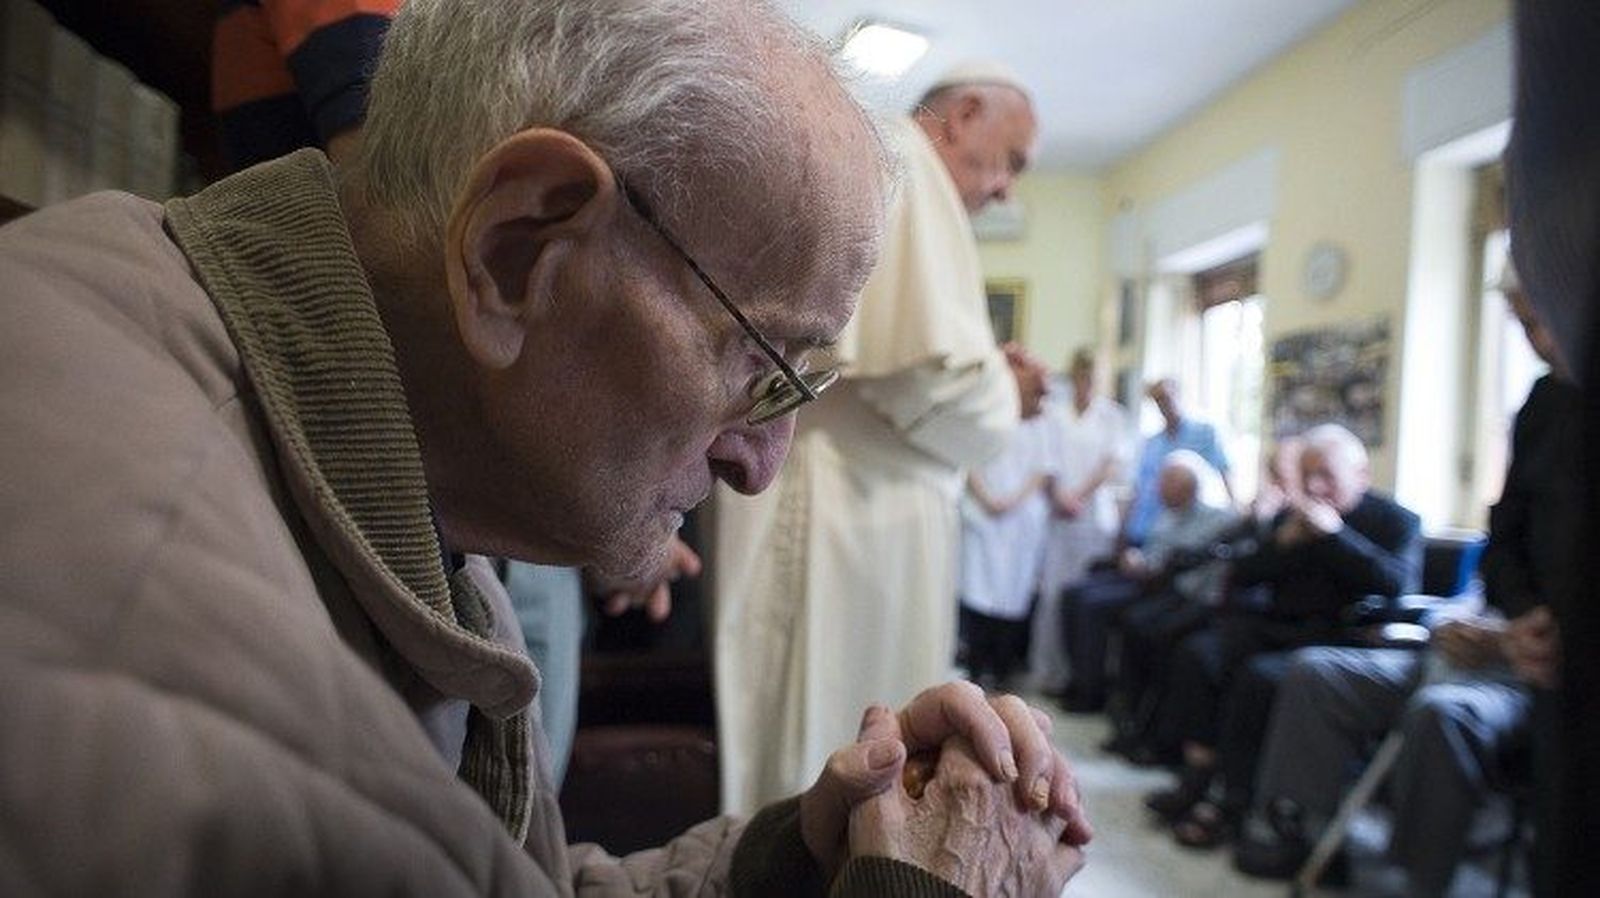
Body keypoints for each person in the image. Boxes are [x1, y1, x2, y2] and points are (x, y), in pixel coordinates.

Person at [0, 2, 1093, 894]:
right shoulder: (217, 732)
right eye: (766, 370)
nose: (758, 466)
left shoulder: (400, 431)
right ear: (520, 250)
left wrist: (799, 853)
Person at [712, 61, 1040, 815]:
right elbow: (926, 376)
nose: (1007, 188)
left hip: (863, 504)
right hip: (841, 510)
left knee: (860, 736)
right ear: (962, 115)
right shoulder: (904, 162)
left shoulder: (906, 172)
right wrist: (1006, 393)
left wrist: (985, 371)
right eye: (1012, 160)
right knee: (825, 743)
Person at [1234, 269, 1582, 894]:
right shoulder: (1544, 404)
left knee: (1440, 714)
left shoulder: (1390, 519)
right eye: (1524, 325)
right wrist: (1500, 617)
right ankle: (1301, 828)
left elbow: (1395, 583)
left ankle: (1413, 879)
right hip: (1471, 639)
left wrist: (1514, 638)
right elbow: (1504, 544)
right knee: (1314, 670)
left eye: (1544, 319)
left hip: (1533, 672)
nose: (1539, 341)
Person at [1145, 424, 1421, 846]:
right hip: (1277, 627)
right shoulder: (1292, 515)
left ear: (1361, 475)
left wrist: (1335, 536)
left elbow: (1396, 583)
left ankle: (1233, 803)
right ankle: (1197, 776)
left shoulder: (1397, 521)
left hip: (1339, 641)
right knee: (1200, 653)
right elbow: (1242, 573)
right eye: (1308, 474)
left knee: (1258, 678)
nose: (1314, 486)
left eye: (1327, 475)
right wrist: (1281, 543)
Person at [1054, 451, 1235, 713]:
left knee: (1093, 605)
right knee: (1073, 593)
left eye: (1167, 482)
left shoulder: (1216, 518)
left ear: (1188, 487)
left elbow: (1177, 561)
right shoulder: (1167, 512)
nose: (1159, 487)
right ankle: (1078, 680)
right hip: (1139, 574)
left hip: (1163, 586)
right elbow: (1151, 549)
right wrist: (1132, 557)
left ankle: (1091, 692)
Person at [1031, 346, 1130, 696]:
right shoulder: (1055, 414)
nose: (1084, 383)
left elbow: (1110, 463)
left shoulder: (1111, 417)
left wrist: (1079, 496)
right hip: (1058, 515)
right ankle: (1051, 673)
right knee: (1053, 597)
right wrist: (1060, 495)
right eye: (1079, 376)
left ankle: (1082, 677)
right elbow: (1046, 461)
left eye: (1091, 377)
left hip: (1093, 517)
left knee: (1084, 595)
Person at [958, 346, 1054, 691]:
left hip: (1019, 519)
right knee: (977, 591)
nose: (1037, 398)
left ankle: (1001, 669)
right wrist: (987, 499)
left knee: (1011, 596)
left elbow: (1042, 470)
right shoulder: (987, 411)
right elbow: (966, 457)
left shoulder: (1040, 424)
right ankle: (974, 665)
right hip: (982, 514)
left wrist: (1010, 501)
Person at [1123, 378, 1234, 547]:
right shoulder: (1152, 443)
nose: (1164, 405)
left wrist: (1235, 512)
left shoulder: (1204, 433)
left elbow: (1225, 471)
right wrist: (1125, 527)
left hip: (1185, 532)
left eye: (1167, 397)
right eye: (1158, 400)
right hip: (1146, 528)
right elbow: (1139, 489)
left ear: (1179, 396)